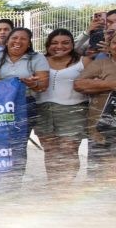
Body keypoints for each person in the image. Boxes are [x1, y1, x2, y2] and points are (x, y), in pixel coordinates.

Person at [0, 27, 49, 180]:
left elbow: (42, 85)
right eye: (14, 38)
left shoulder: (37, 58)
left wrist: (31, 84)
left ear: (29, 43)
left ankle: (15, 180)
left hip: (25, 106)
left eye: (23, 39)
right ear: (7, 41)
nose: (18, 41)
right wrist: (19, 83)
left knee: (18, 144)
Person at [34, 29, 89, 186]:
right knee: (50, 150)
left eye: (65, 43)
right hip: (42, 111)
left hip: (73, 111)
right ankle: (53, 184)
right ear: (48, 45)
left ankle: (65, 186)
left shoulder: (83, 61)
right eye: (54, 43)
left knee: (68, 149)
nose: (59, 46)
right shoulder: (39, 60)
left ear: (73, 44)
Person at [74, 36, 116, 183]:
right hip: (102, 129)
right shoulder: (101, 64)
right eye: (115, 42)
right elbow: (79, 85)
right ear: (109, 47)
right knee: (98, 174)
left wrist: (98, 83)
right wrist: (110, 84)